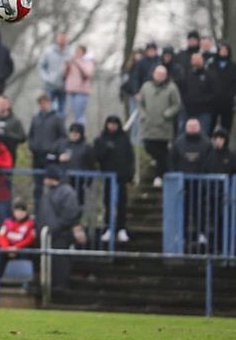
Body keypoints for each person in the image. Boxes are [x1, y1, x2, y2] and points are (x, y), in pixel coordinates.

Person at [35, 165, 83, 290]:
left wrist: (55, 228)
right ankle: (49, 284)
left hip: (60, 234)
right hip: (49, 234)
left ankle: (60, 284)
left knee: (60, 260)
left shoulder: (66, 192)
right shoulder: (50, 192)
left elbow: (70, 214)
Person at [93, 115, 134, 243]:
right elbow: (96, 156)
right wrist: (105, 149)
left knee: (122, 203)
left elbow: (130, 158)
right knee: (108, 203)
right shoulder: (101, 139)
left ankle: (121, 228)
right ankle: (108, 228)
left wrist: (130, 174)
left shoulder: (124, 140)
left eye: (114, 124)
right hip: (108, 177)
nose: (112, 126)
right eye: (110, 124)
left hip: (121, 177)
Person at [139, 65, 181, 186]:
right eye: (158, 74)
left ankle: (159, 176)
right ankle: (160, 167)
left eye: (163, 74)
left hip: (164, 126)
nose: (160, 76)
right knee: (149, 146)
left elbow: (177, 104)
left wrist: (167, 114)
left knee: (162, 152)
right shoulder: (146, 86)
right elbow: (141, 103)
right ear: (153, 74)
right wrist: (143, 115)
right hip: (148, 125)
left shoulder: (172, 87)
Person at [28, 92, 67, 203]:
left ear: (49, 103)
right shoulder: (35, 119)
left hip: (51, 157)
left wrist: (54, 148)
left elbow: (62, 137)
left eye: (45, 103)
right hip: (37, 156)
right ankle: (38, 210)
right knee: (38, 186)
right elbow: (30, 135)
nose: (43, 105)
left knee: (52, 184)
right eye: (40, 103)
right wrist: (32, 146)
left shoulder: (57, 118)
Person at [59, 122, 96, 208]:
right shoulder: (62, 145)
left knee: (78, 204)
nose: (74, 134)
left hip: (79, 181)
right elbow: (51, 157)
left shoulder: (87, 148)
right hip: (64, 180)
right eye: (72, 132)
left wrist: (88, 182)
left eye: (76, 132)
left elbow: (92, 166)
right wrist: (59, 158)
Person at [0, 199, 36, 276]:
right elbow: (1, 236)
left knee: (27, 255)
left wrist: (16, 248)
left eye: (22, 211)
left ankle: (24, 281)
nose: (19, 213)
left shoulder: (30, 224)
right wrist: (7, 249)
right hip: (7, 249)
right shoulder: (7, 222)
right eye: (17, 211)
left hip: (22, 250)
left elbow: (29, 239)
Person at [209, 43, 236, 133]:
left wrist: (229, 94)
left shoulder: (234, 67)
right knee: (210, 128)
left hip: (228, 102)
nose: (223, 52)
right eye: (221, 50)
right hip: (213, 102)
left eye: (225, 50)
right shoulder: (211, 66)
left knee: (226, 128)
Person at [181, 52, 216, 134]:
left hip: (204, 111)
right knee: (184, 133)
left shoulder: (209, 75)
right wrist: (187, 101)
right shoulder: (187, 75)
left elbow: (214, 93)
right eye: (194, 59)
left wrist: (203, 101)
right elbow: (183, 90)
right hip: (188, 110)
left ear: (202, 60)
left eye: (198, 59)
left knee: (203, 134)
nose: (196, 61)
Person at [38, 31, 71, 114]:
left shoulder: (70, 53)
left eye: (64, 38)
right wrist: (47, 78)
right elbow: (40, 66)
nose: (62, 40)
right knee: (47, 109)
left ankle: (59, 126)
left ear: (67, 40)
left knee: (61, 111)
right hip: (50, 86)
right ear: (57, 39)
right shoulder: (49, 51)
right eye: (61, 38)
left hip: (63, 87)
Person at [0, 94, 26, 164]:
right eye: (0, 103)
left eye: (4, 103)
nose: (2, 105)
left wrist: (7, 134)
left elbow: (22, 138)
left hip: (9, 155)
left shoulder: (15, 121)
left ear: (9, 105)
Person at [64, 44, 95, 125]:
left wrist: (77, 62)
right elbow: (64, 74)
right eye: (75, 51)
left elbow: (88, 73)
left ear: (84, 52)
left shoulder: (88, 61)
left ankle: (80, 133)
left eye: (78, 51)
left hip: (82, 91)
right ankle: (74, 132)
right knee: (73, 114)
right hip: (71, 90)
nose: (76, 53)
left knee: (79, 114)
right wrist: (67, 65)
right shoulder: (71, 61)